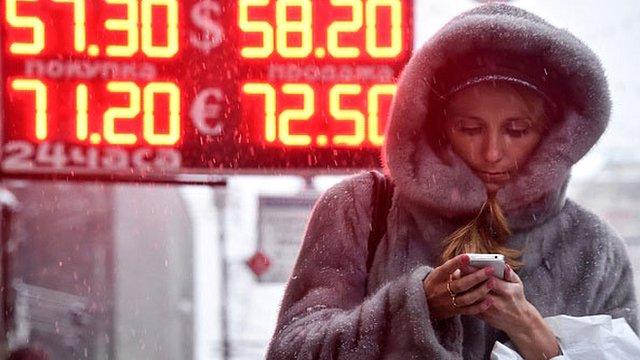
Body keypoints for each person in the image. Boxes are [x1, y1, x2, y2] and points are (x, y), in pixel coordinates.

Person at [266, 3, 639, 359]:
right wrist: (418, 306)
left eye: (517, 130)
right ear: (441, 129)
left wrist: (529, 329)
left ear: (551, 134)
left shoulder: (594, 249)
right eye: (470, 128)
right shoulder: (361, 210)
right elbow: (292, 352)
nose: (492, 152)